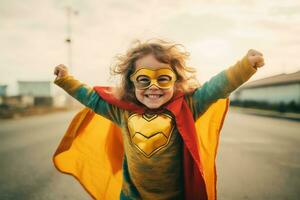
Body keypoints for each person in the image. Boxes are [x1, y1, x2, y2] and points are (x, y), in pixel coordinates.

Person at [53, 39, 264, 200]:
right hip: (132, 196)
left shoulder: (187, 107)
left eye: (163, 78)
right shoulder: (122, 112)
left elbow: (215, 88)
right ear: (131, 83)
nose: (153, 86)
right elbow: (90, 97)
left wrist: (245, 66)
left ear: (176, 80)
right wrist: (65, 80)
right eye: (143, 79)